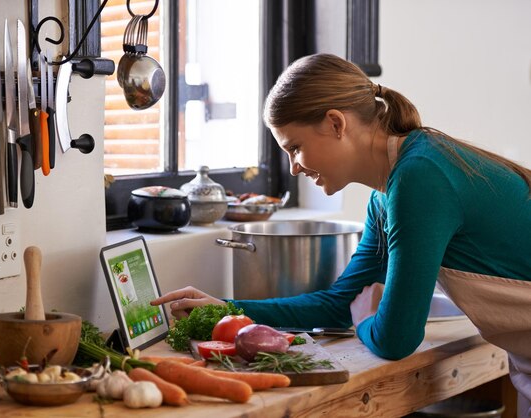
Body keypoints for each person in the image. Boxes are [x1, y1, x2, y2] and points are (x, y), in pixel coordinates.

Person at [151, 53, 531, 415]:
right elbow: (339, 304)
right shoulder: (389, 194)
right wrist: (229, 309)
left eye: (295, 147)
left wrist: (366, 320)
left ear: (336, 123)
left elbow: (396, 339)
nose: (294, 168)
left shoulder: (420, 178)